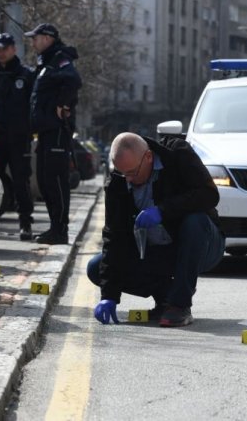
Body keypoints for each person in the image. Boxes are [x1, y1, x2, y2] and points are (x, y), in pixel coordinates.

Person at [87, 133, 225, 327]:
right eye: (123, 173)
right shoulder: (118, 183)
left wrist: (163, 210)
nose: (128, 180)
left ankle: (179, 305)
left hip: (201, 244)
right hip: (159, 252)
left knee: (195, 220)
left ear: (149, 157)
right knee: (95, 268)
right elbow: (114, 237)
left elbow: (209, 194)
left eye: (133, 173)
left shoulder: (177, 154)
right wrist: (109, 296)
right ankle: (166, 298)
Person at [26, 23, 82, 245]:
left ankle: (60, 231)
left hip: (57, 130)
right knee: (44, 180)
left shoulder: (59, 58)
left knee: (56, 181)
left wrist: (63, 104)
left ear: (48, 38)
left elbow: (73, 80)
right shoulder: (46, 61)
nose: (33, 42)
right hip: (46, 130)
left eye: (36, 38)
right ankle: (54, 228)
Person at [0, 32, 35, 241]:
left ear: (13, 49)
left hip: (19, 137)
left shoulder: (25, 75)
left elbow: (32, 105)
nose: (0, 52)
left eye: (4, 48)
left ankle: (25, 223)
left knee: (21, 180)